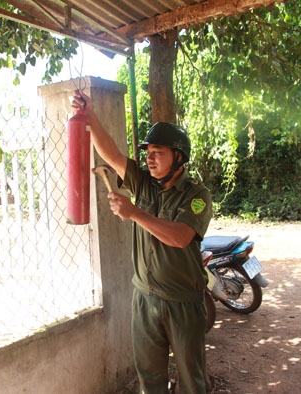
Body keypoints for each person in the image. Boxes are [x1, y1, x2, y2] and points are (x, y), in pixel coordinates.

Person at [71, 90, 213, 394]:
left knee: (191, 381)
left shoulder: (197, 195)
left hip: (183, 302)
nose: (149, 157)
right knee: (149, 379)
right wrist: (90, 115)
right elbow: (111, 155)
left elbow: (180, 237)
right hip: (145, 299)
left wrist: (134, 212)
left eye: (157, 151)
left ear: (178, 157)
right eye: (147, 151)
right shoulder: (144, 182)